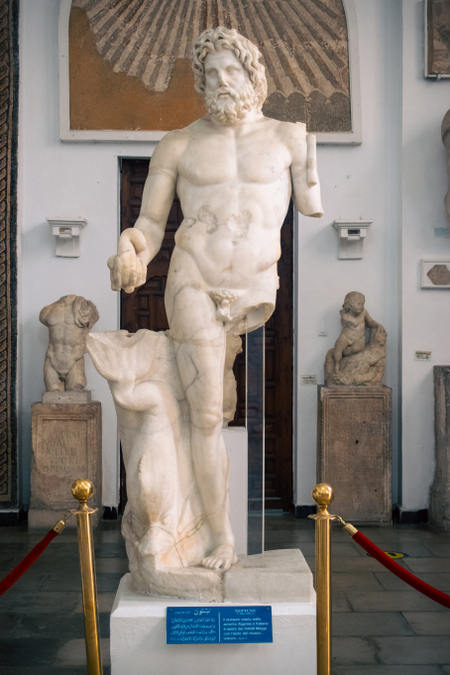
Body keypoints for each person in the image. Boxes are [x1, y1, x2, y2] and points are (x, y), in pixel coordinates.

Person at [107, 27, 323, 571]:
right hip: (193, 278)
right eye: (211, 73)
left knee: (224, 407)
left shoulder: (290, 138)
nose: (222, 80)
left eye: (232, 70)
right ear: (201, 83)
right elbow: (149, 225)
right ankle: (221, 539)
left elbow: (310, 203)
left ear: (253, 75)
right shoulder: (178, 144)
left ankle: (213, 531)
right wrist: (129, 248)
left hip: (256, 287)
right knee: (205, 416)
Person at [332, 291, 380, 374]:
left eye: (363, 304)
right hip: (345, 337)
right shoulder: (344, 314)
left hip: (359, 338)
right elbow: (354, 322)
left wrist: (378, 326)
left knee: (356, 348)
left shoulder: (364, 312)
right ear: (349, 305)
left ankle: (345, 354)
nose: (362, 306)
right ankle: (337, 365)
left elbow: (370, 322)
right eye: (359, 304)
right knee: (338, 347)